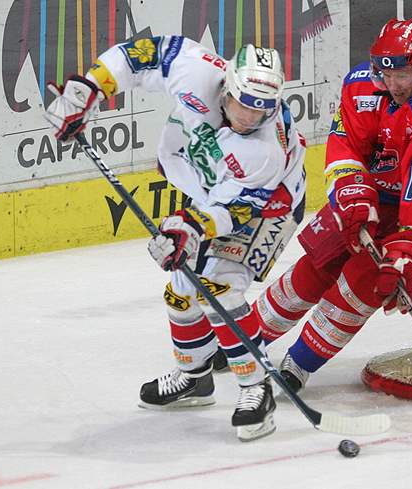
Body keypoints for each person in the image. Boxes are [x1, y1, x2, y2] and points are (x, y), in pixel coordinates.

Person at [44, 37, 307, 441]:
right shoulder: (197, 71)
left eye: (263, 110)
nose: (250, 117)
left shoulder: (264, 152)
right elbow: (140, 55)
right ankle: (196, 377)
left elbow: (235, 211)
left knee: (220, 287)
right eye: (244, 104)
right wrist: (90, 89)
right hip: (210, 188)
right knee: (181, 291)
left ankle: (257, 388)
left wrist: (188, 228)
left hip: (268, 207)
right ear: (228, 87)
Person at [242, 17, 412, 393]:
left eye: (402, 75)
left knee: (364, 280)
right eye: (383, 73)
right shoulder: (361, 84)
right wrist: (353, 191)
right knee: (318, 264)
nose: (391, 84)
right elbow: (345, 146)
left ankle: (299, 364)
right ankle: (243, 341)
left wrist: (407, 248)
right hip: (380, 192)